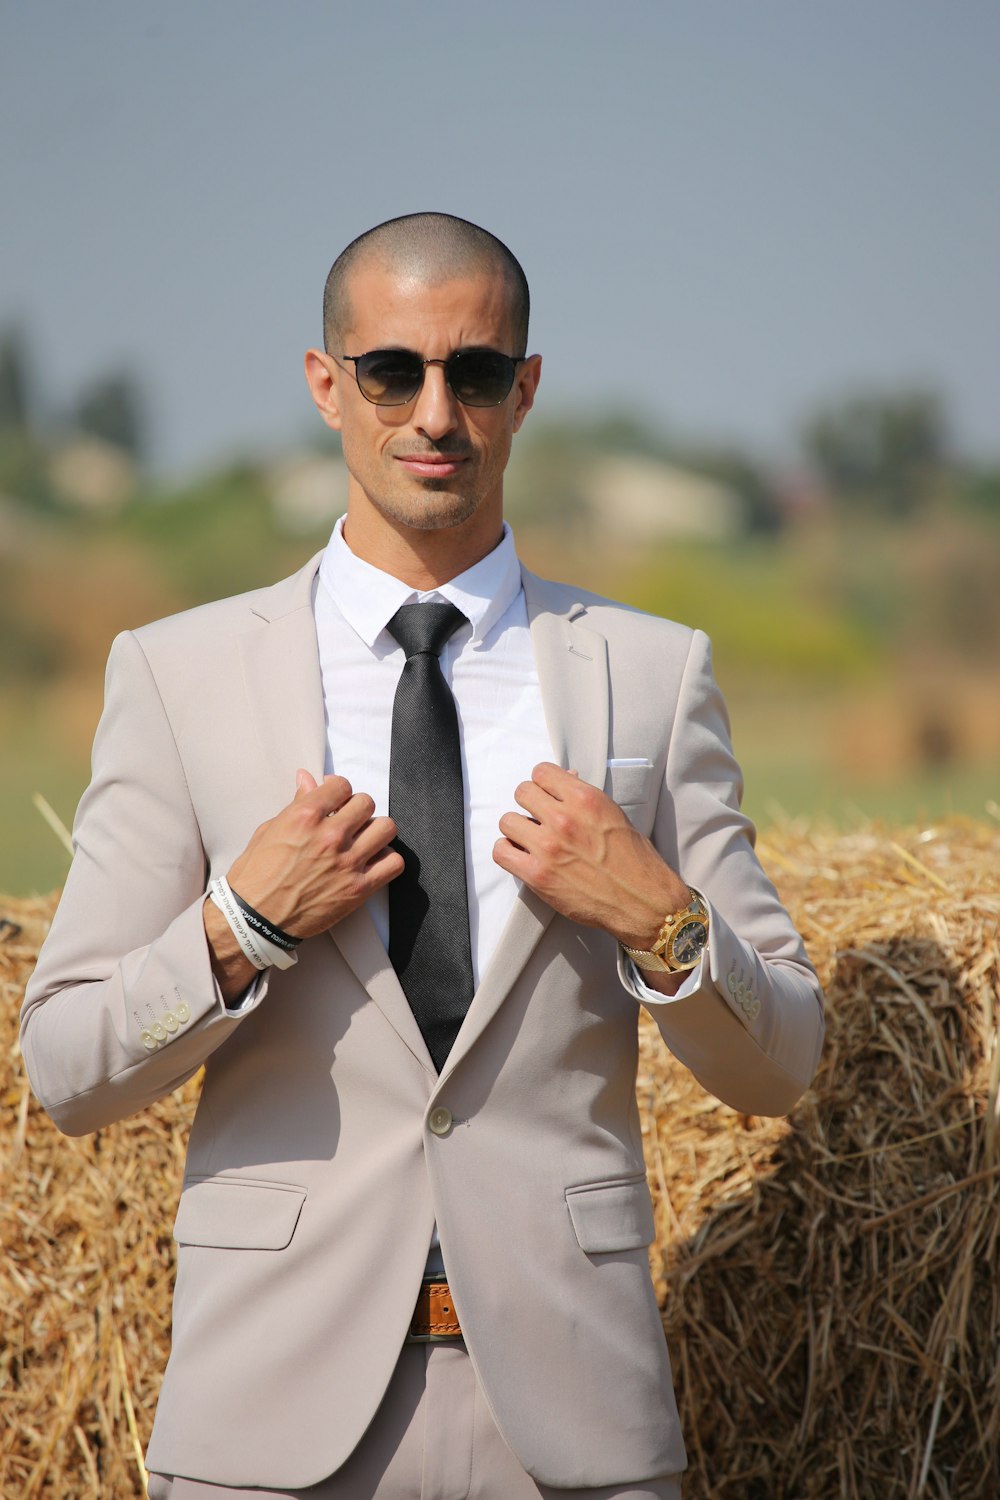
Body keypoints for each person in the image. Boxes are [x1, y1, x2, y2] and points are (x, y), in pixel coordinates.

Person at [21, 212, 824, 1500]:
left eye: (478, 373)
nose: (435, 413)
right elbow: (65, 1068)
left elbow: (783, 1063)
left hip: (573, 1423)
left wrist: (664, 922)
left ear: (527, 392)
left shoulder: (653, 675)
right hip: (267, 1418)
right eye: (394, 370)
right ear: (326, 385)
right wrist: (241, 926)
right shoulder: (177, 674)